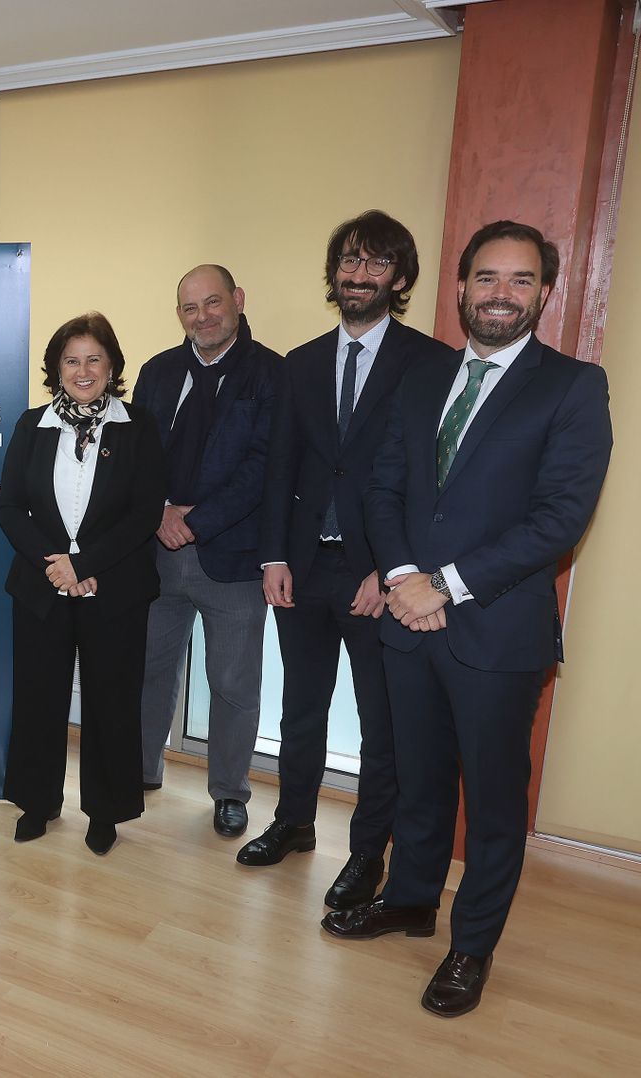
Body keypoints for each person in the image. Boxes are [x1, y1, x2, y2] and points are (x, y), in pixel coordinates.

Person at [324, 221, 612, 1018]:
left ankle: (471, 944)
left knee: (490, 804)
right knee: (416, 780)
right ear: (460, 287)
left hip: (495, 635)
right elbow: (382, 488)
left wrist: (444, 585)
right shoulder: (420, 377)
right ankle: (411, 901)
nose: (500, 294)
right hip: (407, 623)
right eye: (487, 278)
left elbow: (561, 518)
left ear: (544, 294)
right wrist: (408, 576)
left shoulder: (572, 386)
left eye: (520, 281)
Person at [244, 211, 453, 909]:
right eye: (349, 262)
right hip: (303, 567)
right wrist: (274, 555)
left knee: (379, 724)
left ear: (399, 278)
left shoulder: (431, 363)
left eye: (376, 264)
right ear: (333, 272)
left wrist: (390, 569)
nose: (359, 276)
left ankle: (367, 854)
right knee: (300, 707)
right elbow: (281, 469)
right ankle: (292, 821)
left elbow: (431, 480)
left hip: (378, 576)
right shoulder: (299, 363)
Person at [0, 312, 165, 855]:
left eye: (94, 358)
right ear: (55, 368)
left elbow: (143, 514)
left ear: (112, 364)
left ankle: (106, 812)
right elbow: (10, 510)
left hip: (112, 587)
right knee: (38, 697)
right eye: (71, 360)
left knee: (111, 703)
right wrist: (55, 564)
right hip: (42, 585)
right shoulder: (31, 425)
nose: (83, 370)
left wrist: (85, 564)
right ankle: (36, 801)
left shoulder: (138, 426)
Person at [133, 264, 279, 837]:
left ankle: (229, 792)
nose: (203, 317)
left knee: (234, 683)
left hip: (234, 558)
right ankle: (141, 771)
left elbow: (265, 466)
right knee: (147, 670)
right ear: (180, 316)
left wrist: (197, 520)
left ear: (238, 299)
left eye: (213, 303)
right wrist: (158, 514)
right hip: (157, 552)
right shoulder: (158, 372)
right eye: (190, 308)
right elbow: (134, 457)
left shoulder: (272, 375)